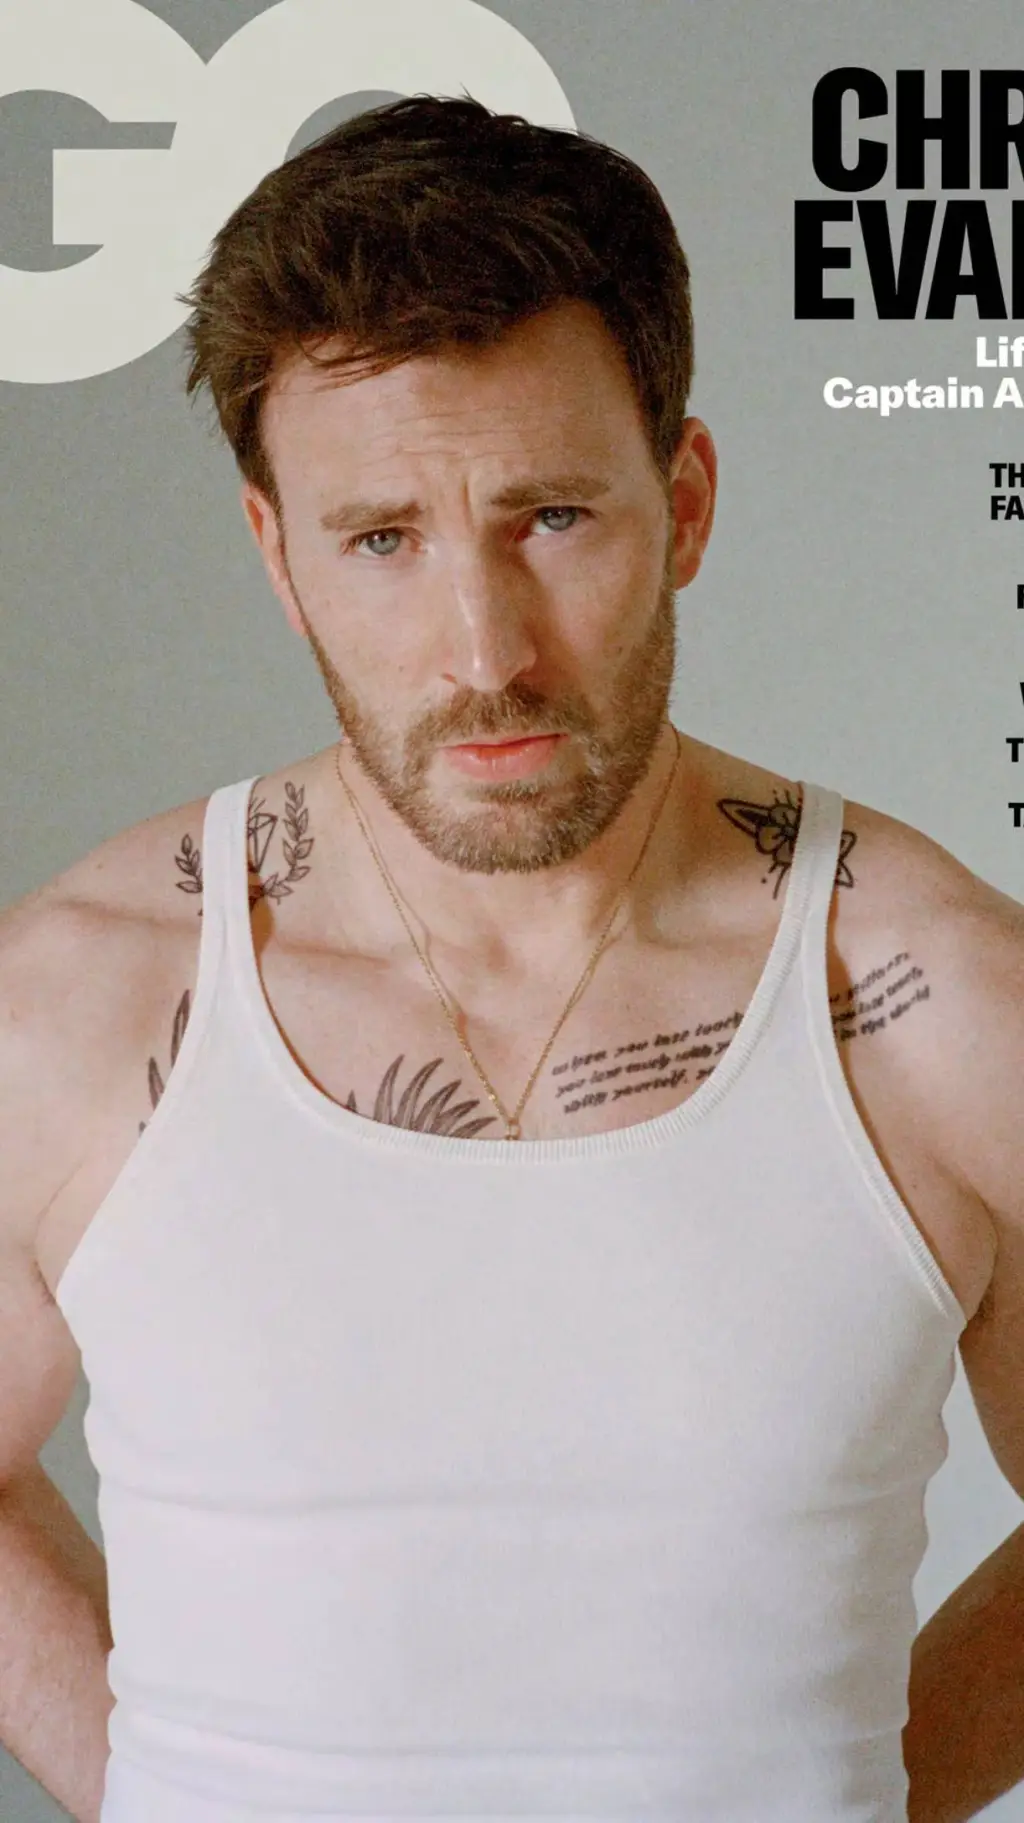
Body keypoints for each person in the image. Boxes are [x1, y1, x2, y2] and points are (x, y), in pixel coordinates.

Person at [0, 93, 1022, 1823]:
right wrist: (161, 1781)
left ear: (684, 502)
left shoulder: (941, 1001)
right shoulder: (84, 1000)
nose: (483, 653)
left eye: (550, 518)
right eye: (381, 539)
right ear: (278, 555)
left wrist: (857, 1790)